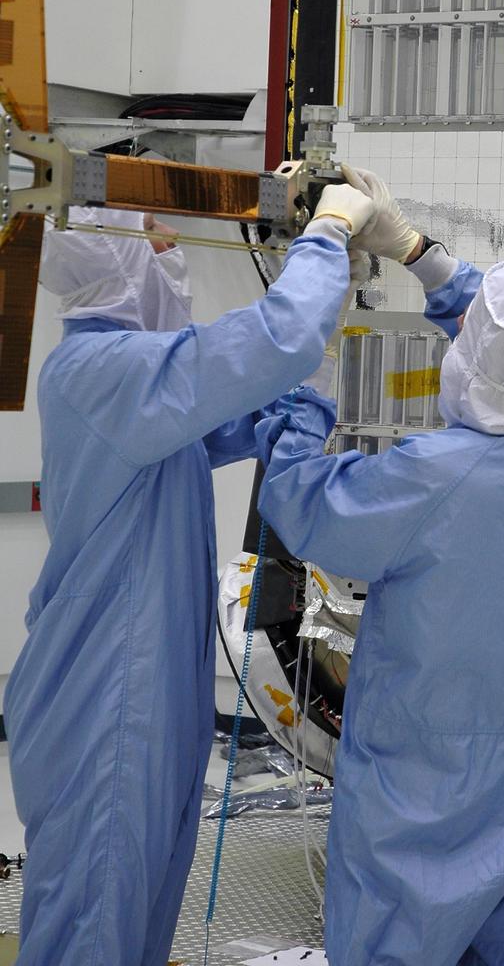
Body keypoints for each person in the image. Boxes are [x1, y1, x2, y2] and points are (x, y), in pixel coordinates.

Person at [3, 185, 375, 966]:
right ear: (110, 255)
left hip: (137, 699)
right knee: (93, 930)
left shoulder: (134, 383)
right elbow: (277, 341)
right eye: (152, 233)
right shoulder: (109, 370)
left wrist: (320, 361)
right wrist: (327, 234)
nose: (172, 243)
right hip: (103, 705)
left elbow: (253, 404)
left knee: (130, 922)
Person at [254, 166, 504, 966]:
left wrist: (314, 348)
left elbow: (294, 497)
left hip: (425, 782)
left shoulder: (432, 476)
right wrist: (414, 249)